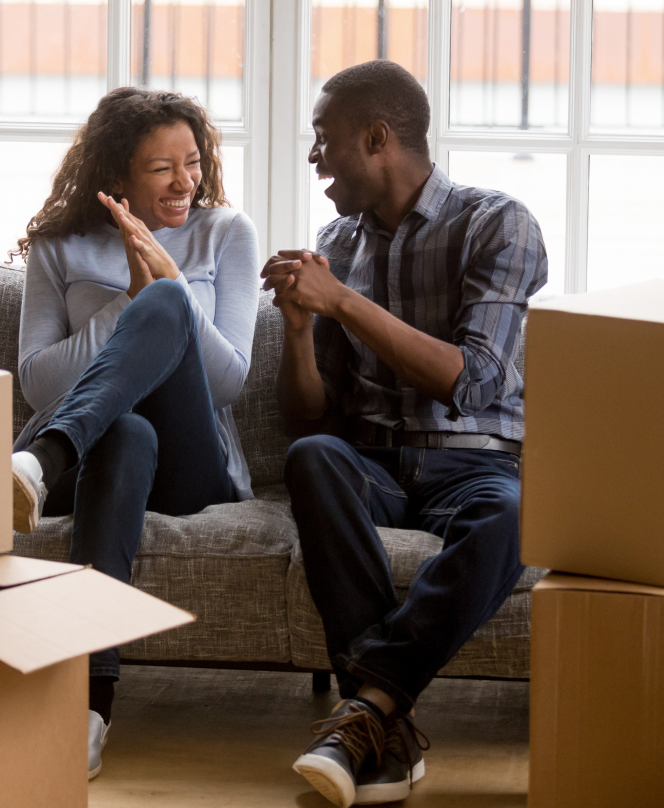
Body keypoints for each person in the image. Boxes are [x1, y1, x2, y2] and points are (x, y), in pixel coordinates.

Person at [262, 60, 546, 807]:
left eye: (324, 141)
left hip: (475, 463)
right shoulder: (338, 240)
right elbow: (310, 414)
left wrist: (344, 304)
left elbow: (475, 380)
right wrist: (298, 330)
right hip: (374, 464)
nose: (315, 158)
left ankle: (366, 707)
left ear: (377, 137)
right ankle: (380, 715)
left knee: (515, 517)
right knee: (313, 457)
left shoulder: (498, 222)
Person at [9, 86, 260, 780]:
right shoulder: (60, 247)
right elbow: (37, 382)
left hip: (193, 466)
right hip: (102, 456)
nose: (185, 181)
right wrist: (125, 297)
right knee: (125, 435)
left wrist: (166, 286)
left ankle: (40, 458)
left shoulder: (226, 233)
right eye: (161, 168)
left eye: (193, 162)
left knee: (169, 300)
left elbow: (231, 381)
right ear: (118, 175)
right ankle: (92, 709)